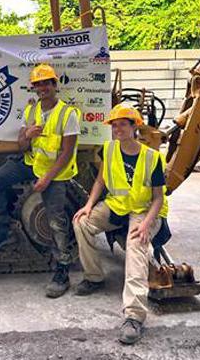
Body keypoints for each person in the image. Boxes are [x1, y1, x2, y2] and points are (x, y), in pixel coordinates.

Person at [72, 104, 169, 345]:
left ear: (134, 127)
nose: (118, 129)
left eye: (123, 124)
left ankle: (134, 316)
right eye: (114, 126)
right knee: (82, 223)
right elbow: (100, 181)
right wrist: (88, 205)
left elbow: (158, 197)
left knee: (136, 243)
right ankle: (94, 277)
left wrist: (146, 224)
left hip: (145, 210)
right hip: (117, 205)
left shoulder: (152, 157)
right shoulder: (109, 150)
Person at [0, 63, 81, 298]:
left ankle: (62, 269)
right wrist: (27, 135)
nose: (43, 88)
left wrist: (46, 179)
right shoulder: (30, 111)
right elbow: (21, 145)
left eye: (47, 83)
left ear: (55, 85)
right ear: (34, 88)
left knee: (56, 220)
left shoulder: (68, 114)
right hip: (30, 162)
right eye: (38, 84)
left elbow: (67, 153)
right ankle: (3, 229)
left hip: (55, 172)